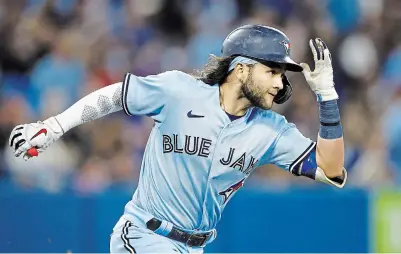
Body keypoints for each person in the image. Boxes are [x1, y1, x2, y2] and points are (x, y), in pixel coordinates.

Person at [8, 25, 347, 253]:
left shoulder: (271, 129)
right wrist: (54, 126)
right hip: (145, 235)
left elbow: (330, 169)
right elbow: (114, 96)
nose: (279, 83)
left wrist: (327, 96)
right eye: (272, 71)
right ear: (241, 68)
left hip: (194, 247)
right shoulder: (179, 91)